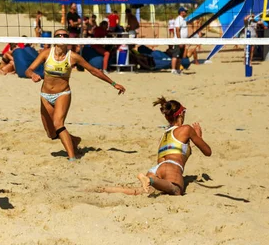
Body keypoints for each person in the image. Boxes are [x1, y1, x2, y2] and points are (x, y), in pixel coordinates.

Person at [25, 28, 126, 161]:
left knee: (58, 123)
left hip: (62, 94)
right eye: (58, 35)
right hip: (45, 95)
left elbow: (93, 70)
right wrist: (32, 75)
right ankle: (74, 140)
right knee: (51, 133)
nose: (61, 37)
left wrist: (113, 84)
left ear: (68, 39)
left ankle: (72, 158)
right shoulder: (46, 54)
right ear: (54, 39)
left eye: (64, 35)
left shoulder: (73, 57)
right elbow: (29, 69)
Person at [97, 96, 211, 196]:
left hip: (157, 168)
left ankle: (102, 189)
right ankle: (150, 180)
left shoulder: (165, 134)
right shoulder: (186, 129)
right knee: (176, 190)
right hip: (172, 167)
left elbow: (180, 150)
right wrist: (198, 137)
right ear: (181, 113)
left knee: (140, 191)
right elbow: (207, 152)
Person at [170, 7, 188, 75]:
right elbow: (177, 30)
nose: (186, 12)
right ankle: (173, 70)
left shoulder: (183, 20)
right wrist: (180, 41)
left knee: (180, 57)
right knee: (175, 56)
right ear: (181, 12)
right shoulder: (178, 19)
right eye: (185, 11)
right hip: (178, 41)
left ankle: (178, 69)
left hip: (183, 41)